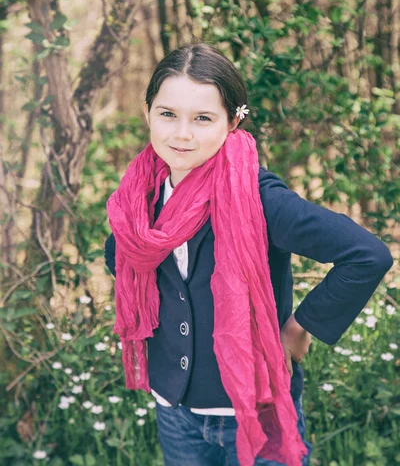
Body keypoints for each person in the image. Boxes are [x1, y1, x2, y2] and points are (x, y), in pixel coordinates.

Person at [104, 42, 393, 466]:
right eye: (168, 114)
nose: (182, 133)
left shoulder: (258, 197)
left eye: (203, 118)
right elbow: (121, 259)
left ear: (233, 122)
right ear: (148, 112)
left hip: (260, 408)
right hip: (175, 409)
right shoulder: (139, 196)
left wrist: (299, 328)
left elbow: (366, 254)